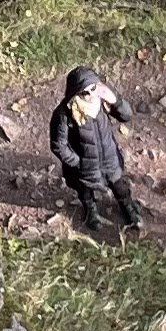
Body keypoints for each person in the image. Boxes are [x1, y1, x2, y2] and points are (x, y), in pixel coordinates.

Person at [49, 64, 141, 237]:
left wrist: (115, 100)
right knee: (84, 192)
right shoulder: (65, 114)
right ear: (75, 93)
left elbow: (126, 116)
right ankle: (91, 210)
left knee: (119, 186)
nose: (91, 95)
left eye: (93, 89)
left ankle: (127, 205)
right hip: (83, 166)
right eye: (85, 92)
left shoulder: (102, 102)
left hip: (109, 157)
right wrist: (78, 162)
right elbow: (58, 145)